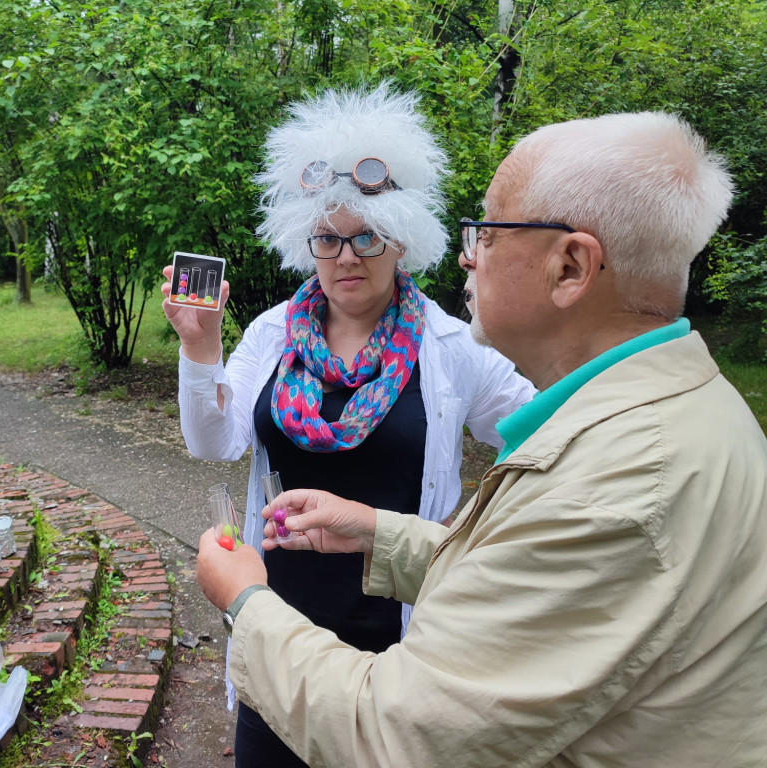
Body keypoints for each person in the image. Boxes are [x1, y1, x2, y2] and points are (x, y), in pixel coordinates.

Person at [195, 110, 767, 768]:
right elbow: (531, 574)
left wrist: (245, 599)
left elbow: (396, 734)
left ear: (572, 266)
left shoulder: (620, 484)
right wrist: (381, 534)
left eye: (488, 232)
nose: (468, 254)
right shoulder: (655, 421)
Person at [161, 83, 535, 766]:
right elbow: (213, 442)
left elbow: (544, 441)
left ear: (403, 242)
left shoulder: (450, 349)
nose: (346, 257)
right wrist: (198, 347)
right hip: (276, 626)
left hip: (399, 645)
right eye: (328, 239)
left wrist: (472, 537)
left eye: (367, 237)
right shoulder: (274, 333)